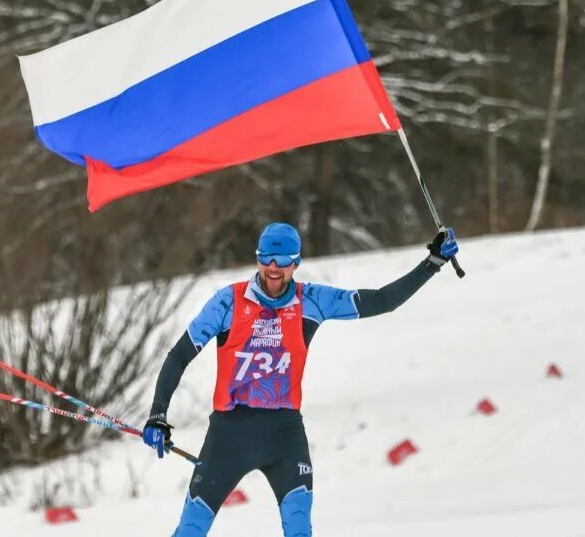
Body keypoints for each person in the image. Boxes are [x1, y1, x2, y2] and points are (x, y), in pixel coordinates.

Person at [141, 222, 459, 537]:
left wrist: (431, 264)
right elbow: (179, 355)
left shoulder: (312, 301)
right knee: (191, 531)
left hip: (284, 435)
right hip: (229, 434)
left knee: (298, 530)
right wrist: (158, 414)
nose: (274, 269)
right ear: (257, 259)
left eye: (284, 261)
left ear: (297, 263)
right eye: (267, 260)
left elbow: (380, 301)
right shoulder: (228, 302)